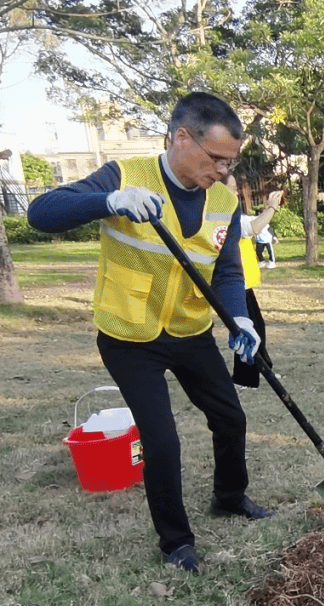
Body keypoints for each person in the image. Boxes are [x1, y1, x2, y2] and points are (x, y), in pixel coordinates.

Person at [27, 91, 274, 575]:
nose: (223, 170)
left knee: (230, 416)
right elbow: (42, 213)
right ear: (182, 138)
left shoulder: (223, 200)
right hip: (129, 334)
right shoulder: (126, 177)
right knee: (161, 440)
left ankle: (230, 496)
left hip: (188, 329)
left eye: (230, 161)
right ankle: (176, 541)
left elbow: (226, 271)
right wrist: (109, 201)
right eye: (216, 158)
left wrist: (239, 317)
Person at [225, 174, 284, 388]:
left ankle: (263, 367)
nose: (236, 193)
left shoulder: (234, 216)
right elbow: (254, 227)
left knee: (257, 327)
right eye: (232, 188)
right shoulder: (226, 219)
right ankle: (244, 378)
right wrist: (272, 207)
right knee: (247, 330)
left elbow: (253, 224)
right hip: (234, 287)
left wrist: (269, 209)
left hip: (243, 285)